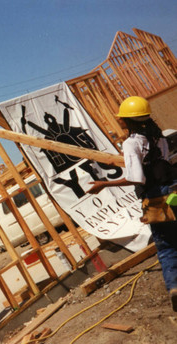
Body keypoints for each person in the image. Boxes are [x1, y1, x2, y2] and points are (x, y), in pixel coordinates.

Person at [86, 96, 177, 311]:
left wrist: (104, 184)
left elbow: (138, 178)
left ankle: (175, 287)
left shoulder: (131, 142)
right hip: (174, 189)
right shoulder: (159, 137)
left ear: (127, 120)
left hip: (156, 196)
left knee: (165, 245)